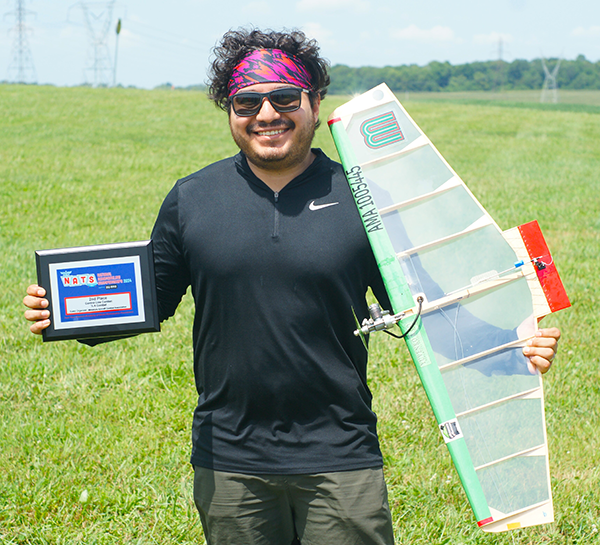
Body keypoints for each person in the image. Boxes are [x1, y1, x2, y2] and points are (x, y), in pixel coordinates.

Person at [23, 28, 561, 545]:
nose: (266, 114)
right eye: (245, 103)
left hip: (341, 453)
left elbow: (425, 306)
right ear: (228, 110)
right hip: (228, 457)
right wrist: (66, 315)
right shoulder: (192, 199)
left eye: (283, 97)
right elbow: (151, 301)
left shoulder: (362, 199)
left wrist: (514, 347)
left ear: (315, 100)